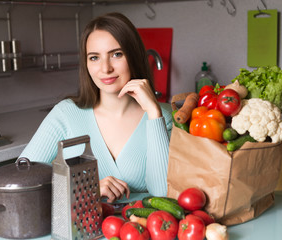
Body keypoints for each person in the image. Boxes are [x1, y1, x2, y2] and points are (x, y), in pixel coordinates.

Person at [18, 12, 173, 203]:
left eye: (116, 54)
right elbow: (22, 181)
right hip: (82, 229)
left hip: (139, 230)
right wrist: (86, 189)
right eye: (94, 58)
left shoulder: (165, 116)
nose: (105, 68)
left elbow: (162, 193)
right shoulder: (65, 114)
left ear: (133, 56)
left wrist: (154, 113)